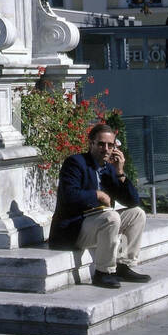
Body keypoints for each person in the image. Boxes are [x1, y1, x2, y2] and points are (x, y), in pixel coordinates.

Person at [49, 123, 151, 288]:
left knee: (137, 213)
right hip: (73, 228)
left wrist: (120, 173)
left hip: (98, 223)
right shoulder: (75, 163)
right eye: (101, 144)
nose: (106, 149)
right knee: (111, 217)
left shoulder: (109, 170)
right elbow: (69, 196)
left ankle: (123, 266)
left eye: (110, 145)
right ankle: (103, 272)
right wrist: (96, 194)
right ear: (91, 144)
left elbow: (132, 201)